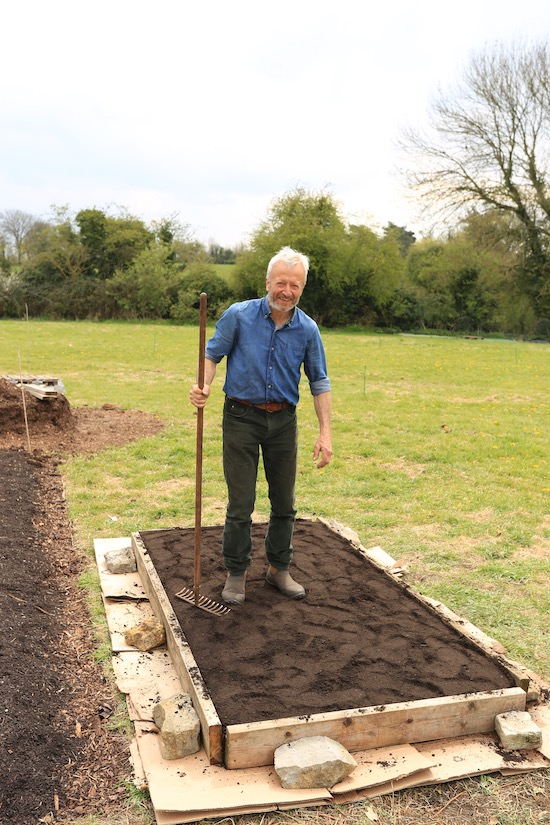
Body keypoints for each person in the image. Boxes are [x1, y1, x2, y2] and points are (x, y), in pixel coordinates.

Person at [189, 246, 332, 604]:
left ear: (302, 288)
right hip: (241, 417)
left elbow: (319, 381)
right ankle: (236, 573)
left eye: (294, 285)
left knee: (284, 502)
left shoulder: (308, 329)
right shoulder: (238, 316)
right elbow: (212, 353)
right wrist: (204, 385)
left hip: (283, 421)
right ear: (268, 281)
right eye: (281, 282)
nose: (287, 290)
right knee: (241, 502)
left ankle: (278, 569)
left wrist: (325, 432)